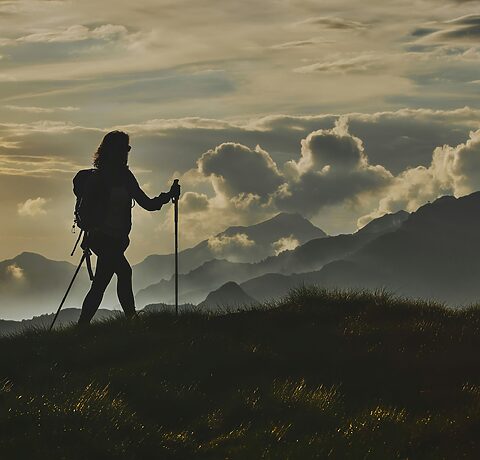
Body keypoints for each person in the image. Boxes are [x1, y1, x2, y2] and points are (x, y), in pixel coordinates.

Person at [78, 130, 180, 325]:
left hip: (116, 240)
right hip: (102, 239)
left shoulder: (125, 176)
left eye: (128, 148)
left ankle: (83, 325)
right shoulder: (98, 179)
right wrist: (93, 230)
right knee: (123, 272)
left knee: (101, 282)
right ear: (113, 150)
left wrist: (168, 195)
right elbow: (85, 212)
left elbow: (147, 203)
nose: (127, 152)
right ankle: (131, 319)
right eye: (125, 148)